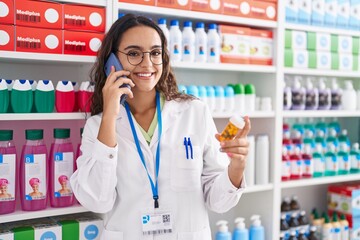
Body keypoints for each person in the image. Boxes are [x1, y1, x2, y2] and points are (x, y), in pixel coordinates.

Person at [70, 13, 251, 240]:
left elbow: (219, 201)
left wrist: (237, 166)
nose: (147, 64)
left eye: (155, 53)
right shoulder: (97, 127)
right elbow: (98, 200)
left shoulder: (194, 112)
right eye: (134, 53)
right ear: (111, 62)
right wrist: (109, 115)